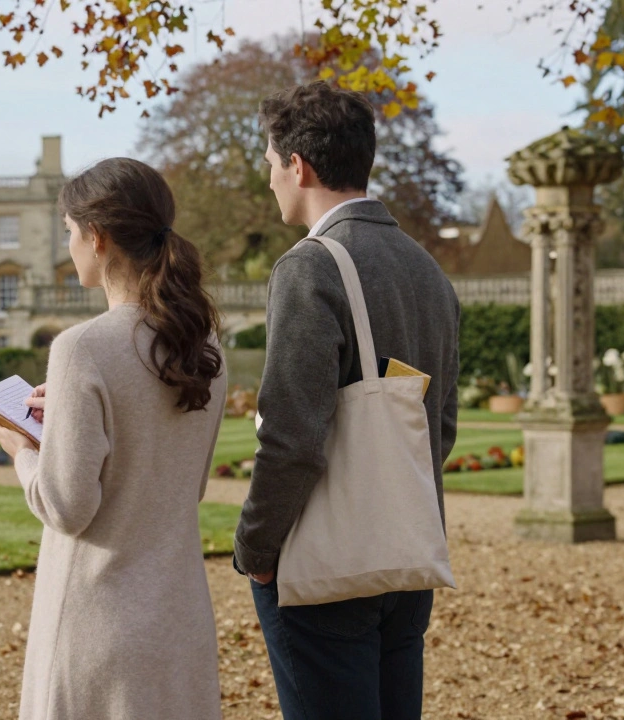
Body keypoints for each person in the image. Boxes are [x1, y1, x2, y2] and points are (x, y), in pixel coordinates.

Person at [234, 81, 460, 719]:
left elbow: (291, 437)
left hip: (325, 560)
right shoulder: (428, 271)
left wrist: (255, 548)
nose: (271, 179)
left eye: (272, 165)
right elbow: (438, 427)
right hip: (408, 550)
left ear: (298, 167)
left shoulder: (309, 267)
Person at [0, 157, 228, 720]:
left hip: (99, 621)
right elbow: (179, 482)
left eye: (68, 231)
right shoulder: (203, 343)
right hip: (178, 616)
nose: (68, 244)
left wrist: (24, 452)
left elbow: (69, 508)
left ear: (96, 237)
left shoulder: (82, 347)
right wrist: (68, 415)